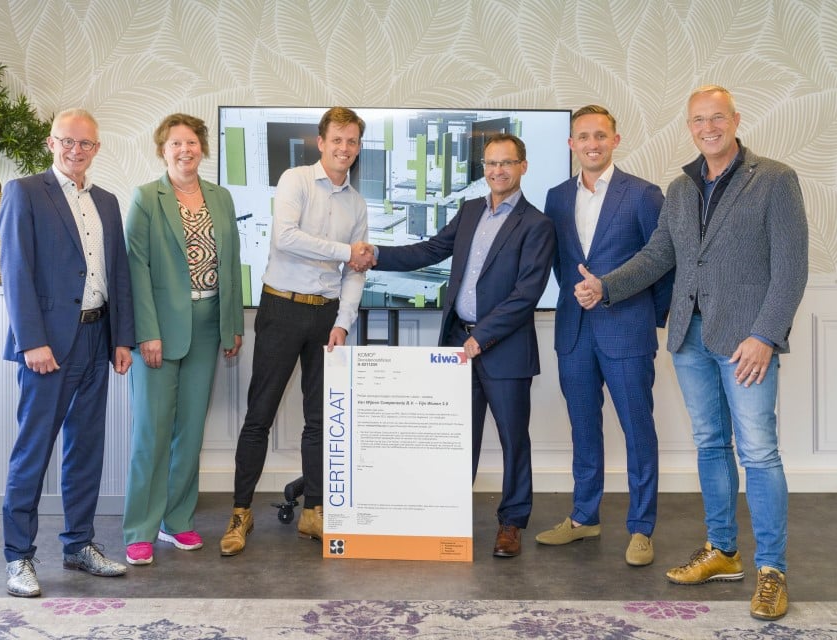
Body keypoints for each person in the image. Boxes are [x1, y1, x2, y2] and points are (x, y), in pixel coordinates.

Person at [576, 85, 808, 620]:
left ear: (736, 120)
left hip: (747, 341)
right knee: (710, 444)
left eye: (717, 118)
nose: (708, 128)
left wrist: (765, 335)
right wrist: (606, 287)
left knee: (759, 452)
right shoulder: (681, 188)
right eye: (698, 120)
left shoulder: (775, 179)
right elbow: (659, 255)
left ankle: (771, 570)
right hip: (689, 337)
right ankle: (723, 551)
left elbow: (791, 267)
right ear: (689, 127)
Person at [363, 133, 555, 558]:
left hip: (503, 350)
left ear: (523, 167)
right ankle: (449, 514)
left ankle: (511, 522)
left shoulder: (537, 225)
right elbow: (431, 250)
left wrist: (480, 338)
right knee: (457, 438)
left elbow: (526, 294)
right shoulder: (469, 211)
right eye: (491, 163)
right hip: (457, 343)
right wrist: (377, 253)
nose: (497, 171)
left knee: (513, 440)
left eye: (506, 163)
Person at [219, 107, 373, 556]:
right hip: (281, 308)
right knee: (259, 416)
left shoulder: (357, 203)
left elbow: (356, 272)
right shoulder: (296, 180)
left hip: (326, 317)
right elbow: (286, 237)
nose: (344, 148)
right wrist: (346, 251)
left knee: (320, 420)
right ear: (321, 142)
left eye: (352, 141)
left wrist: (343, 323)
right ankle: (240, 512)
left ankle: (313, 512)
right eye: (337, 139)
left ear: (358, 147)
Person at [0, 108, 135, 597]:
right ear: (51, 142)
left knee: (86, 449)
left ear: (97, 149)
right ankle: (18, 556)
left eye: (86, 144)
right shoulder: (25, 192)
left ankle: (79, 545)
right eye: (68, 141)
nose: (77, 150)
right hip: (49, 345)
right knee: (33, 450)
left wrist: (122, 338)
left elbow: (118, 273)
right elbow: (14, 269)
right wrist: (32, 340)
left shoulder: (108, 201)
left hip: (98, 339)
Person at [536, 105, 671, 567]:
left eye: (600, 135)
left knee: (638, 430)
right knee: (583, 428)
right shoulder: (556, 197)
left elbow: (663, 261)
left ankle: (641, 528)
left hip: (627, 331)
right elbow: (561, 263)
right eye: (583, 137)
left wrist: (645, 316)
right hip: (574, 331)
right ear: (571, 144)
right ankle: (583, 517)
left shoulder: (643, 195)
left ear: (615, 140)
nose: (591, 144)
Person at [122, 114, 245, 566]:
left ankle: (177, 521)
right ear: (163, 150)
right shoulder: (146, 198)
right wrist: (147, 332)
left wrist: (233, 324)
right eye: (175, 143)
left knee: (190, 431)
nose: (184, 150)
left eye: (191, 142)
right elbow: (136, 268)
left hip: (209, 324)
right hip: (159, 329)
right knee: (151, 433)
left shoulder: (221, 197)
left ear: (202, 148)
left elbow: (231, 262)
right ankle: (140, 528)